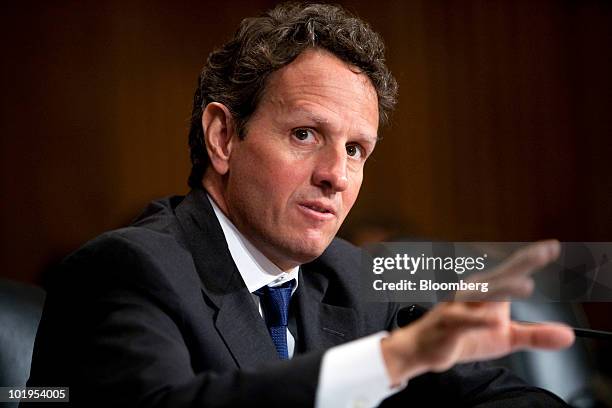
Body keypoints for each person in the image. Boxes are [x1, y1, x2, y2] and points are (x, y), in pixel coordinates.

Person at [25, 3, 575, 407]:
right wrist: (391, 361)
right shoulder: (127, 271)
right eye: (306, 134)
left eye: (356, 150)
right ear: (223, 137)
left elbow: (495, 398)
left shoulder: (353, 279)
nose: (336, 175)